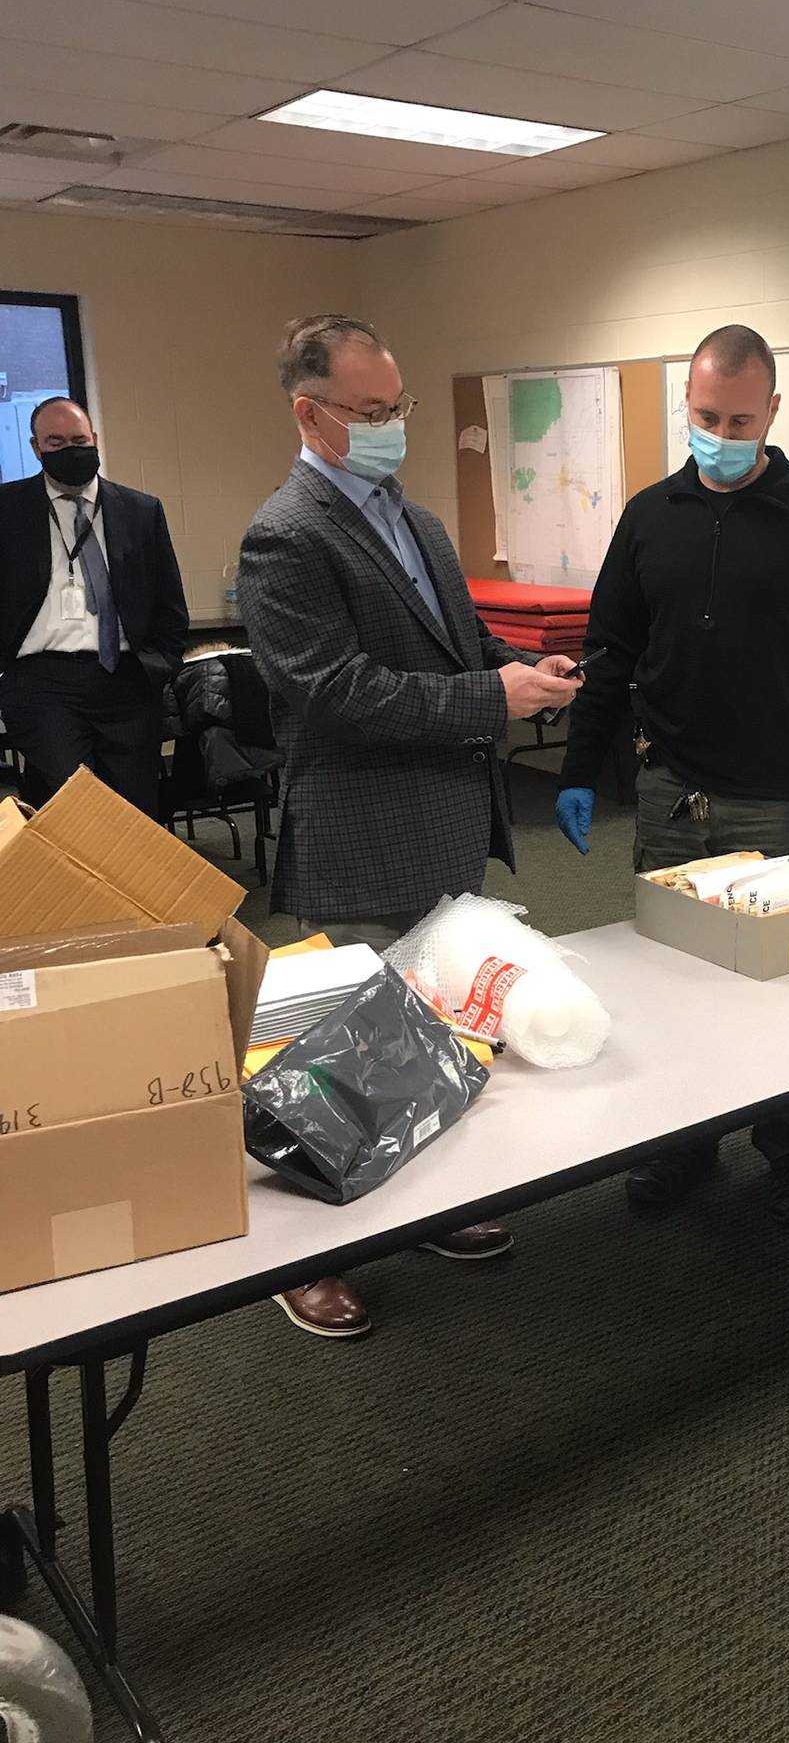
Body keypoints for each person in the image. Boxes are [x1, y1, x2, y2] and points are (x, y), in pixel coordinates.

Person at [240, 314, 579, 1338]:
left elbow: (459, 641)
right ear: (311, 413)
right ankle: (309, 1259)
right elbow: (340, 692)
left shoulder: (418, 521)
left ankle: (428, 1207)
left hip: (442, 823)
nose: (392, 429)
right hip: (359, 829)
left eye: (400, 409)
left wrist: (528, 668)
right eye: (371, 413)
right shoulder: (284, 536)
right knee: (335, 1061)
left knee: (438, 1036)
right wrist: (494, 700)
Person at [555, 324, 789, 1223]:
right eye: (706, 417)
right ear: (686, 407)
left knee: (780, 993)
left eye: (741, 420)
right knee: (673, 984)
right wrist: (583, 765)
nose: (723, 436)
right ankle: (682, 1143)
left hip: (779, 809)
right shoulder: (649, 516)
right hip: (670, 796)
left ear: (773, 410)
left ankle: (786, 1147)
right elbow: (610, 651)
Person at [0, 397, 187, 814]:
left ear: (95, 439)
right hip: (43, 680)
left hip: (125, 679)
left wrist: (157, 667)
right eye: (56, 442)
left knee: (135, 809)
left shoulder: (140, 510)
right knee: (78, 805)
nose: (71, 451)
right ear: (35, 447)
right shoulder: (8, 510)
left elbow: (170, 605)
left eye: (79, 440)